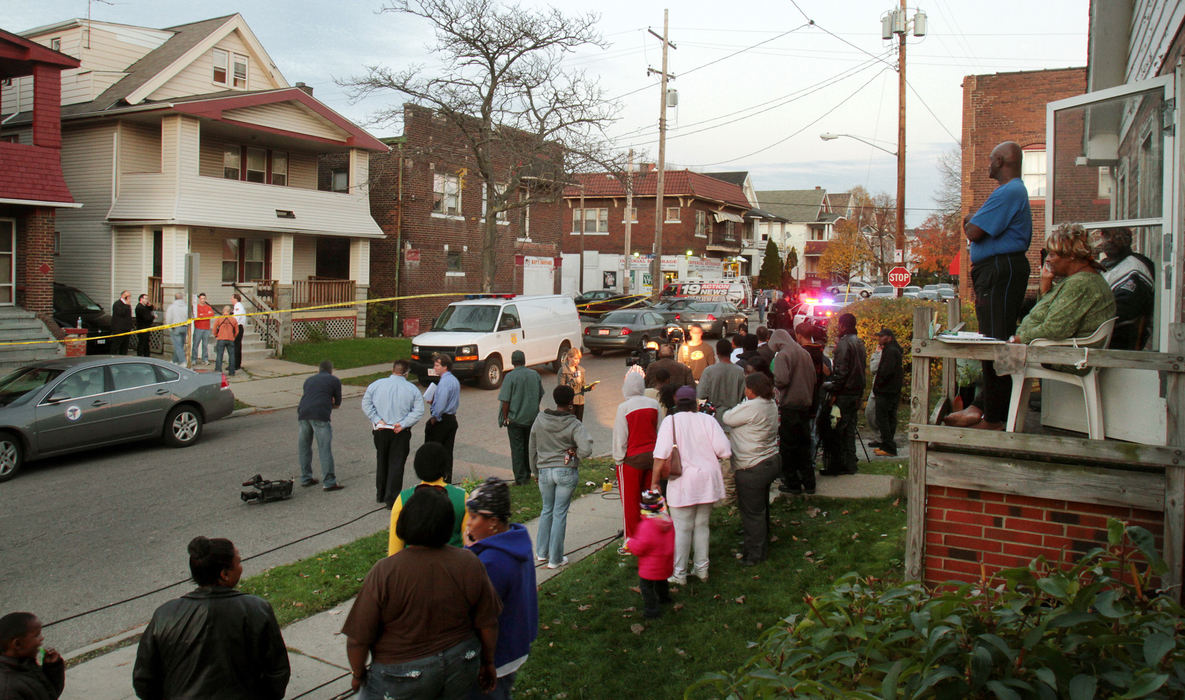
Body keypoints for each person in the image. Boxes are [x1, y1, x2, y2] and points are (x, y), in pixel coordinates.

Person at [342, 487, 501, 698]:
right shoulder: (469, 562)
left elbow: (357, 639)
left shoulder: (385, 572)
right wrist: (487, 662)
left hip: (399, 674)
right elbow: (488, 622)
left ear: (405, 522)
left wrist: (358, 674)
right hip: (462, 661)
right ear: (448, 524)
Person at [132, 536, 290, 699]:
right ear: (225, 574)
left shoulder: (164, 615)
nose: (241, 568)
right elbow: (277, 672)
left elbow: (144, 680)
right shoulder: (257, 610)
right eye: (239, 562)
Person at [945, 141, 1032, 431]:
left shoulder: (1009, 191)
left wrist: (970, 220)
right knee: (990, 338)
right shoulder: (1008, 192)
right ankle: (984, 407)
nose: (988, 165)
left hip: (1000, 269)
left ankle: (994, 418)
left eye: (991, 159)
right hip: (994, 269)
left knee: (994, 343)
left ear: (1001, 161)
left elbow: (974, 230)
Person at [463, 478, 539, 699]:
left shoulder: (492, 562)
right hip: (518, 641)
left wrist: (471, 553)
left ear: (494, 522)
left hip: (497, 654)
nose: (468, 523)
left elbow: (478, 614)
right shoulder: (515, 540)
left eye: (475, 517)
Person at [651, 385, 730, 585]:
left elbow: (660, 456)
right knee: (702, 525)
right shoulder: (708, 420)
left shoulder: (671, 422)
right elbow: (724, 451)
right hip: (707, 480)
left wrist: (654, 482)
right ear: (695, 402)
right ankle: (702, 569)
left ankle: (680, 573)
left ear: (677, 402)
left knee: (682, 528)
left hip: (683, 482)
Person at [1010, 223, 1117, 347]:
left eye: (1052, 254)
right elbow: (1048, 314)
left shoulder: (1080, 284)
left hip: (1065, 358)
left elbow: (1055, 329)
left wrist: (1018, 339)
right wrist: (1045, 285)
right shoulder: (1080, 279)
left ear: (1071, 255)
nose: (1047, 260)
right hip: (1051, 351)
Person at [530, 385, 594, 569]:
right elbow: (587, 449)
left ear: (555, 399)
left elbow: (532, 446)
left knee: (546, 510)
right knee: (559, 513)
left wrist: (534, 470)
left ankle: (541, 552)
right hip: (565, 471)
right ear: (571, 402)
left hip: (544, 470)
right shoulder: (574, 423)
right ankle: (555, 558)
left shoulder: (540, 419)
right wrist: (575, 453)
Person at [722, 373, 780, 565]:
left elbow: (727, 417)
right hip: (770, 460)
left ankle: (754, 555)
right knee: (761, 508)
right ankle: (762, 541)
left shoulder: (752, 406)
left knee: (752, 513)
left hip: (751, 466)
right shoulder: (770, 404)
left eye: (746, 387)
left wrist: (741, 404)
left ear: (752, 389)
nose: (744, 390)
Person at [362, 359, 426, 507]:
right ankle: (392, 498)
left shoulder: (376, 385)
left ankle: (381, 493)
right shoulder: (412, 389)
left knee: (382, 460)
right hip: (399, 431)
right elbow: (418, 411)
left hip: (381, 429)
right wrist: (403, 424)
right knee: (396, 464)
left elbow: (366, 403)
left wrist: (377, 419)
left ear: (393, 369)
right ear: (406, 373)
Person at [388, 442, 468, 555]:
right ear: (445, 467)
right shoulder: (462, 497)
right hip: (452, 563)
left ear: (417, 467)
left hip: (413, 564)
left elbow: (394, 549)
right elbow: (468, 543)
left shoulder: (403, 499)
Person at [612, 371, 660, 549]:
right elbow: (659, 430)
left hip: (631, 460)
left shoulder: (624, 408)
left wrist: (619, 460)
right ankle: (653, 535)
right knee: (651, 497)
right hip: (653, 457)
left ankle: (631, 540)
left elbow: (620, 437)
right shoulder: (654, 404)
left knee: (630, 503)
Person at [768, 328, 817, 493]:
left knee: (788, 448)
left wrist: (771, 379)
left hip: (790, 405)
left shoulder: (783, 355)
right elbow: (814, 378)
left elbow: (781, 380)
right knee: (804, 446)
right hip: (805, 404)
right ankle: (809, 483)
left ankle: (793, 483)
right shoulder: (804, 353)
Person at [821, 313, 866, 476]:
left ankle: (837, 465)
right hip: (855, 391)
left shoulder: (844, 344)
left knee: (837, 430)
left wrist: (831, 388)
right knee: (850, 429)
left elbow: (841, 372)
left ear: (842, 325)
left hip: (844, 393)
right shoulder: (860, 342)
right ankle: (850, 463)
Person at [1096, 227, 1154, 350]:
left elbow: (1124, 310)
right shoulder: (1103, 265)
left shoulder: (1135, 266)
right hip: (1102, 334)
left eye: (1117, 236)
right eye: (1106, 236)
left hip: (1121, 339)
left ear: (1128, 241)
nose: (1110, 241)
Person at [498, 350, 543, 485]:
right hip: (532, 418)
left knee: (517, 449)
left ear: (513, 362)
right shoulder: (534, 374)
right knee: (530, 448)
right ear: (524, 360)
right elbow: (540, 394)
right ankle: (531, 472)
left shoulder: (510, 377)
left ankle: (521, 478)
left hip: (515, 419)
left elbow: (505, 400)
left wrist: (505, 417)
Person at [298, 359, 343, 491]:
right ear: (331, 370)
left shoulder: (309, 380)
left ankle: (306, 477)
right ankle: (329, 482)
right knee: (324, 448)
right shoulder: (334, 381)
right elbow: (338, 403)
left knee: (304, 447)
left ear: (319, 369)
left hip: (303, 414)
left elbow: (308, 396)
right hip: (320, 415)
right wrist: (329, 404)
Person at [629, 490, 674, 618]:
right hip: (665, 561)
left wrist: (630, 543)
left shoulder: (646, 526)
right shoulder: (668, 521)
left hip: (650, 566)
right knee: (662, 581)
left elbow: (640, 547)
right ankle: (665, 598)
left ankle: (651, 610)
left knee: (646, 587)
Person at [0, 612, 64, 700]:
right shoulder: (8, 691)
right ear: (17, 644)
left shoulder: (25, 664)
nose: (42, 638)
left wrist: (52, 668)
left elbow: (50, 694)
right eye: (37, 635)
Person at [425, 353, 461, 482]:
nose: (435, 368)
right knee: (447, 452)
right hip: (451, 418)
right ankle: (447, 478)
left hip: (443, 420)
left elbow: (441, 405)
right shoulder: (453, 380)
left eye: (437, 365)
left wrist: (434, 416)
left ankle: (436, 478)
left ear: (445, 367)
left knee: (436, 451)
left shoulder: (445, 382)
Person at [871, 328, 903, 457]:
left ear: (889, 337)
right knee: (889, 418)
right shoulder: (894, 350)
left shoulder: (890, 351)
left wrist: (878, 386)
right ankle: (886, 444)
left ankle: (889, 446)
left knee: (883, 419)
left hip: (886, 391)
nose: (879, 338)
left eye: (882, 336)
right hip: (892, 390)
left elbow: (886, 371)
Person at [556, 347, 594, 421]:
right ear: (569, 358)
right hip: (569, 403)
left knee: (579, 424)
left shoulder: (581, 370)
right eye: (575, 358)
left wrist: (589, 387)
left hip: (580, 402)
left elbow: (582, 386)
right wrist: (573, 381)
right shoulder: (563, 370)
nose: (578, 361)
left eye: (579, 359)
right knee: (570, 424)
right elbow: (560, 389)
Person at [212, 306, 238, 376]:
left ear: (223, 311)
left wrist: (216, 335)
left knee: (219, 355)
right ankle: (232, 371)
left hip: (221, 338)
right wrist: (234, 336)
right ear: (230, 311)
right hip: (230, 339)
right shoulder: (233, 319)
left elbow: (214, 329)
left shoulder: (219, 319)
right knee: (232, 356)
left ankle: (218, 370)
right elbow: (237, 331)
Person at [164, 292, 188, 365]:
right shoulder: (186, 306)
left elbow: (168, 318)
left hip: (175, 328)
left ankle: (183, 361)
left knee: (177, 345)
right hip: (185, 327)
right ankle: (175, 361)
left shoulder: (172, 307)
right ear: (182, 298)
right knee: (180, 345)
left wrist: (169, 327)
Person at [191, 293, 215, 366]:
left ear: (206, 299)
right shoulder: (196, 307)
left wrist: (202, 315)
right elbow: (197, 315)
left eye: (204, 298)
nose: (203, 300)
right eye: (201, 299)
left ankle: (205, 359)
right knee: (195, 344)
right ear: (199, 299)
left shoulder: (208, 307)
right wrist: (205, 315)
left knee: (205, 345)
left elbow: (211, 314)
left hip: (206, 329)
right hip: (198, 328)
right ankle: (194, 359)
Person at [111, 289, 133, 355]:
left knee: (124, 346)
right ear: (123, 296)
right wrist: (127, 305)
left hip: (126, 329)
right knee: (116, 345)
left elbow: (128, 316)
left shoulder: (127, 305)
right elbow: (121, 313)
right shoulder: (117, 304)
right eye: (128, 296)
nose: (129, 298)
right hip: (119, 329)